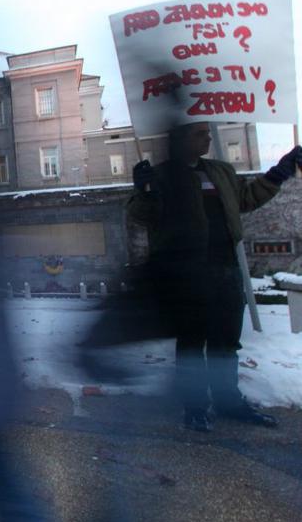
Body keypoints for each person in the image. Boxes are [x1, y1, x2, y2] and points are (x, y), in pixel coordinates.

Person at [128, 121, 302, 432]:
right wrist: (143, 190)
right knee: (192, 343)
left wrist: (281, 170)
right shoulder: (162, 175)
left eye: (208, 132)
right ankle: (194, 407)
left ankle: (227, 401)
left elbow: (245, 199)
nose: (208, 137)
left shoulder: (221, 171)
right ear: (181, 138)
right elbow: (142, 216)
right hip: (186, 273)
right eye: (200, 133)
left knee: (226, 343)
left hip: (225, 269)